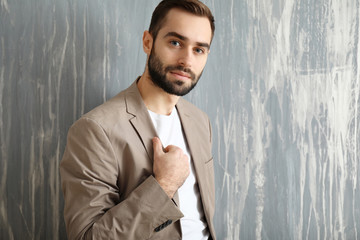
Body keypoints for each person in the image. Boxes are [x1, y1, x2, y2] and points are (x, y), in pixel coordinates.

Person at [60, 0, 216, 239]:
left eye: (199, 49)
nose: (187, 60)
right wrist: (163, 186)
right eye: (175, 42)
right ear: (148, 42)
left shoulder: (200, 121)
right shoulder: (95, 130)